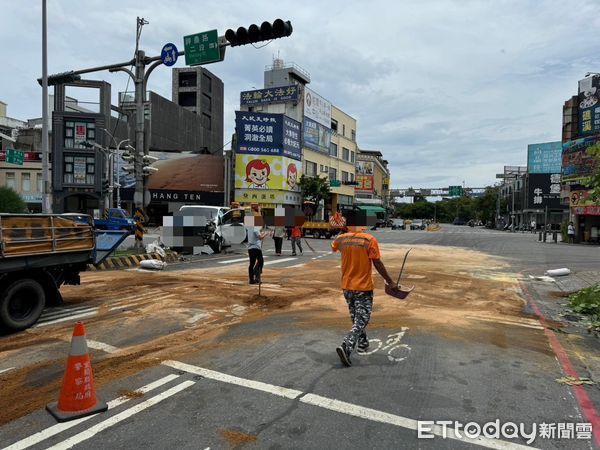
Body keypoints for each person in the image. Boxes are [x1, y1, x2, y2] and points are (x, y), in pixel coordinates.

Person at [331, 229, 401, 367]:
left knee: (356, 316)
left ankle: (363, 343)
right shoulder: (369, 240)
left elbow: (333, 246)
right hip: (363, 287)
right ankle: (347, 345)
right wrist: (390, 281)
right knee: (362, 318)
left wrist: (342, 231)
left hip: (347, 286)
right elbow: (377, 263)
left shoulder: (341, 239)